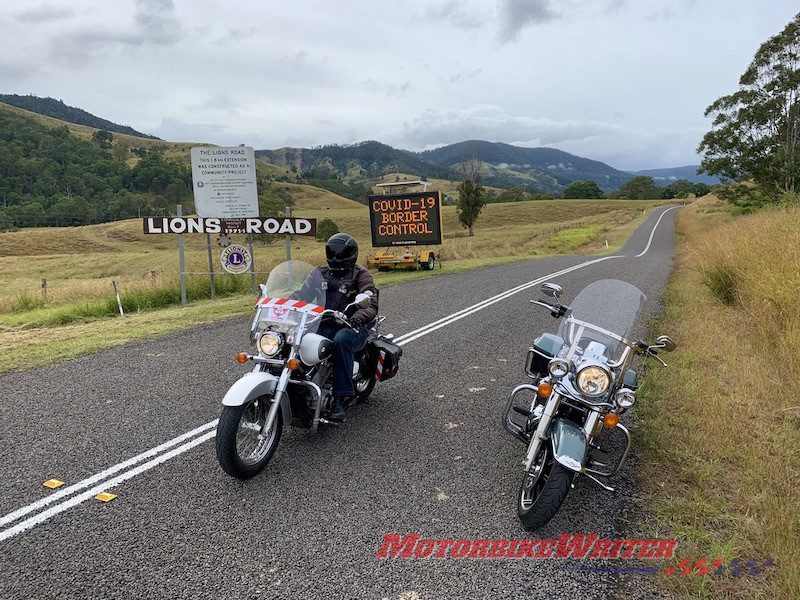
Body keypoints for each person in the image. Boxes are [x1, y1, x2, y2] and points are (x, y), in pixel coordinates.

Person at [291, 233, 378, 421]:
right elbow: (303, 294)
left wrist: (357, 317)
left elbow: (370, 302)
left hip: (353, 326)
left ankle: (341, 396)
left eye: (340, 253)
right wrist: (287, 302)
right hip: (324, 321)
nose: (336, 257)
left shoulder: (361, 274)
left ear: (351, 254)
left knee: (341, 341)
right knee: (295, 338)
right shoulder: (319, 273)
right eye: (332, 252)